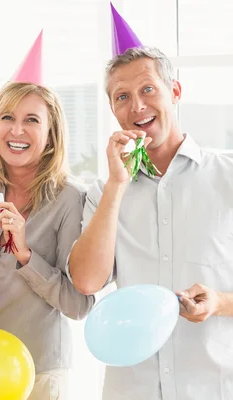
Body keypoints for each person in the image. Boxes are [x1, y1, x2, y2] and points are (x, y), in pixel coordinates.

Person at [67, 46, 233, 400]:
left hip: (215, 386)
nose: (137, 106)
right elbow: (86, 281)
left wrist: (219, 302)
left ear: (175, 92)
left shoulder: (228, 178)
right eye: (122, 97)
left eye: (148, 89)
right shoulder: (104, 192)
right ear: (113, 110)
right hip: (132, 390)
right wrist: (116, 186)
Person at [0, 81, 95, 399]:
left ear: (52, 133)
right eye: (7, 117)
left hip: (38, 375)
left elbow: (79, 305)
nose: (16, 130)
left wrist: (25, 254)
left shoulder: (73, 201)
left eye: (32, 120)